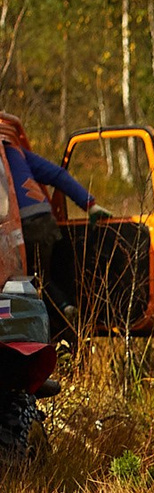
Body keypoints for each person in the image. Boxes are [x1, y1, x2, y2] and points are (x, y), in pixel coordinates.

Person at [0, 113, 102, 331]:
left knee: (27, 285)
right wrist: (90, 204)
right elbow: (57, 175)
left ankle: (38, 335)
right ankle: (66, 311)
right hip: (46, 222)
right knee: (41, 278)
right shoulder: (18, 152)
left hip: (22, 228)